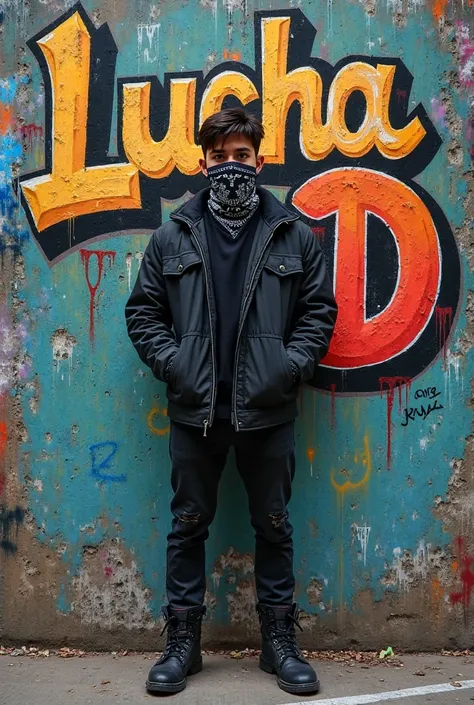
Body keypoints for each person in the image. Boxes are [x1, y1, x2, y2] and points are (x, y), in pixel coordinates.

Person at [125, 107, 338, 695]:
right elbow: (143, 312)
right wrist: (175, 366)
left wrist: (289, 367)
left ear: (260, 161)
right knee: (188, 525)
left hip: (267, 409)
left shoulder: (292, 234)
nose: (230, 167)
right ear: (202, 163)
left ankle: (279, 643)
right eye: (219, 158)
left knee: (273, 524)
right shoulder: (173, 236)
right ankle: (182, 644)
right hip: (197, 410)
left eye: (241, 157)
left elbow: (319, 312)